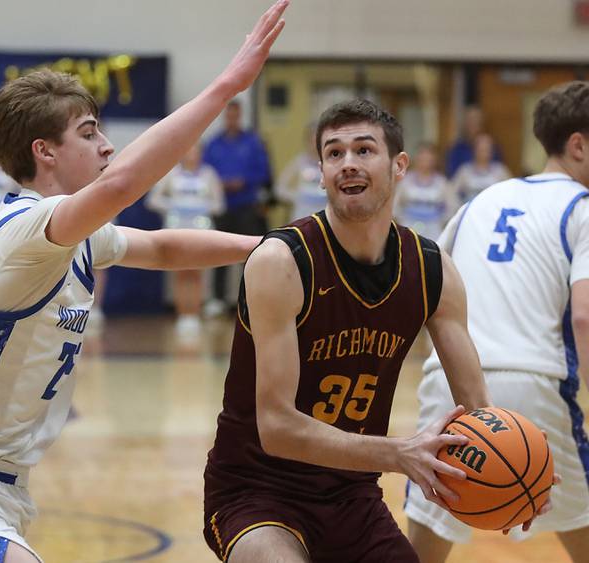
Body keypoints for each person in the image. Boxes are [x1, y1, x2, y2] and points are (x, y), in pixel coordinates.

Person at [0, 2, 289, 561]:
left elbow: (163, 245)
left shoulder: (74, 239)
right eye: (89, 132)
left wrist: (277, 249)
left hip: (1, 486)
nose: (106, 145)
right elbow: (124, 183)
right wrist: (225, 87)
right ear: (45, 151)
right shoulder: (25, 232)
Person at [201, 98, 545, 563]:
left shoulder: (431, 270)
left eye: (364, 150)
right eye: (334, 154)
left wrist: (523, 467)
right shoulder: (282, 261)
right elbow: (278, 428)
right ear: (320, 172)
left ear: (399, 165)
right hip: (257, 491)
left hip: (353, 498)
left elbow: (478, 409)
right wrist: (399, 453)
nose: (347, 164)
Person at [405, 81, 589, 563]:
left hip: (447, 388)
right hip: (536, 388)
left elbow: (428, 290)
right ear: (578, 145)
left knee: (423, 548)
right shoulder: (582, 207)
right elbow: (586, 317)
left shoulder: (478, 202)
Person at [147, 142, 225, 335]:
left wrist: (201, 206)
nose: (192, 154)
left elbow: (219, 205)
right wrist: (174, 205)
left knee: (197, 272)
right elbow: (153, 200)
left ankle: (195, 314)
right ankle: (183, 314)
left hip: (201, 229)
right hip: (177, 228)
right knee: (180, 272)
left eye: (195, 151)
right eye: (188, 150)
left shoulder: (209, 174)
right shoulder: (171, 174)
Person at [203, 99, 272, 315]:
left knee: (249, 255)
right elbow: (205, 173)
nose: (232, 119)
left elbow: (264, 172)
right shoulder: (213, 144)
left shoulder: (253, 142)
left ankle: (250, 300)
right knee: (219, 253)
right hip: (222, 207)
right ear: (225, 116)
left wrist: (243, 181)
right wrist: (220, 183)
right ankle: (217, 300)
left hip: (247, 206)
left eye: (235, 115)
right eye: (228, 115)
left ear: (240, 115)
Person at [394, 142, 457, 240]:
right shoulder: (405, 180)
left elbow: (452, 207)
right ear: (416, 158)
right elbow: (394, 205)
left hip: (434, 231)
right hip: (407, 228)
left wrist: (441, 222)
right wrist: (401, 221)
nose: (425, 161)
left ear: (435, 160)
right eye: (422, 157)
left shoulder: (442, 182)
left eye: (429, 158)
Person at [275, 123, 326, 222]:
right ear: (307, 141)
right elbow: (280, 188)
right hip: (302, 216)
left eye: (319, 141)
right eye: (312, 141)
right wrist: (297, 197)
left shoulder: (330, 162)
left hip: (325, 217)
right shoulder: (300, 161)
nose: (315, 145)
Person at [444, 105, 502, 179]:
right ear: (465, 123)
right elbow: (452, 176)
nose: (473, 123)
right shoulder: (456, 149)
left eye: (476, 120)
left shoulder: (493, 147)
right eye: (470, 120)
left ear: (482, 123)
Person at [451, 132, 511, 204]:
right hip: (471, 212)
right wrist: (461, 207)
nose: (484, 152)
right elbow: (451, 193)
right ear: (474, 149)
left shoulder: (500, 170)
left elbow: (511, 191)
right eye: (481, 149)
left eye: (487, 149)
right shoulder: (465, 170)